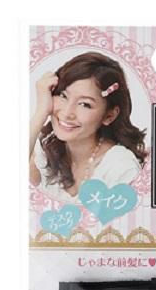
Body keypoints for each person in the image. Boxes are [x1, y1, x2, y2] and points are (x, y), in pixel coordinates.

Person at [29, 52, 146, 202]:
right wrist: (41, 112)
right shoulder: (46, 147)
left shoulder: (120, 167)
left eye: (85, 104)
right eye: (63, 96)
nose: (67, 113)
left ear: (109, 116)